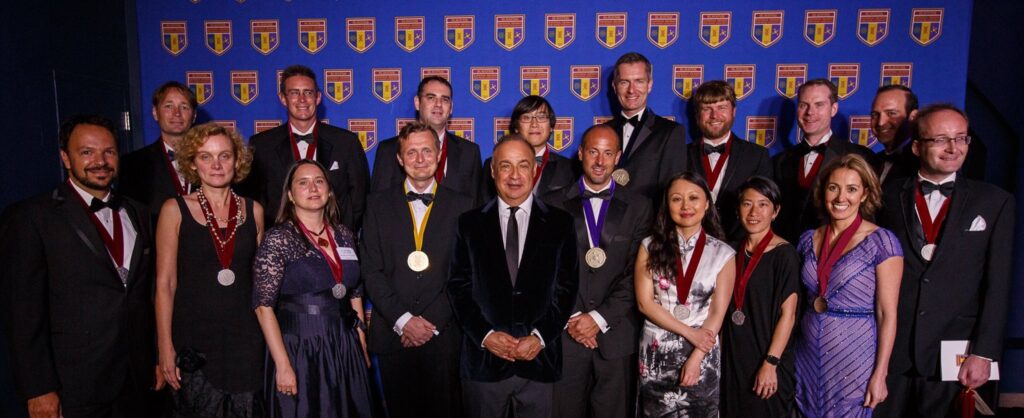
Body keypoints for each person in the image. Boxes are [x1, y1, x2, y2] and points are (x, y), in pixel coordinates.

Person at [0, 115, 159, 418]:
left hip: (135, 382)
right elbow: (22, 313)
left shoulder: (138, 212)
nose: (100, 161)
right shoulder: (32, 217)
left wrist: (152, 358)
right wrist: (38, 388)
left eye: (109, 152)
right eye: (87, 152)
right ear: (65, 158)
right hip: (73, 384)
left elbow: (142, 297)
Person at [876, 104, 1013, 417]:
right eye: (940, 139)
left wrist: (985, 353)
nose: (953, 148)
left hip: (956, 355)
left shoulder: (995, 202)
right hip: (890, 353)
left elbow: (998, 285)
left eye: (961, 139)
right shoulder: (885, 196)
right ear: (916, 146)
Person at [447, 135, 579, 418]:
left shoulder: (561, 223)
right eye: (505, 166)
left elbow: (566, 289)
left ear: (535, 170)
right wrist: (486, 336)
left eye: (523, 165)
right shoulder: (468, 224)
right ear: (493, 171)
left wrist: (540, 337)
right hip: (483, 363)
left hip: (540, 363)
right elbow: (458, 287)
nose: (515, 175)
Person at [362, 122, 476, 418]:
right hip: (393, 334)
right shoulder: (375, 205)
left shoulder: (466, 207)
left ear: (439, 154)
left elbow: (466, 273)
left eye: (427, 150)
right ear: (399, 159)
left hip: (444, 335)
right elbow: (372, 272)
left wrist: (429, 321)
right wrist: (404, 320)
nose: (420, 159)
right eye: (411, 152)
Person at [154, 122, 266, 416]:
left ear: (237, 160)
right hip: (194, 340)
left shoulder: (253, 210)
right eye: (205, 156)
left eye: (224, 156)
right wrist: (165, 347)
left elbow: (259, 282)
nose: (216, 165)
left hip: (246, 340)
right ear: (192, 162)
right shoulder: (173, 210)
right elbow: (165, 284)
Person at [541, 124, 652, 418]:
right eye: (593, 152)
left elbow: (638, 273)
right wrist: (575, 317)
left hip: (616, 337)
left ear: (617, 158)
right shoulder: (551, 204)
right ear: (580, 154)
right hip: (566, 335)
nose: (600, 161)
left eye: (607, 153)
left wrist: (598, 318)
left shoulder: (640, 207)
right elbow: (545, 269)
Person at [252, 159, 374, 417]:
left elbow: (355, 293)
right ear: (290, 195)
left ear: (329, 191)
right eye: (303, 183)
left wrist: (361, 343)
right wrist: (282, 363)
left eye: (319, 181)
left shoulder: (344, 234)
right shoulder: (279, 238)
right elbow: (263, 307)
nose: (313, 188)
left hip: (344, 344)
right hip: (301, 347)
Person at [793, 154, 903, 417]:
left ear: (865, 194)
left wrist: (880, 373)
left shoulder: (882, 241)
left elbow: (887, 314)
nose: (841, 197)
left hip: (854, 355)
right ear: (823, 192)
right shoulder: (808, 239)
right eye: (834, 188)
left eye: (851, 189)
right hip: (806, 354)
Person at [635, 172, 735, 417]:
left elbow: (717, 313)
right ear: (667, 205)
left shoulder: (723, 253)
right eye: (676, 199)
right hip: (656, 352)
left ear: (706, 203)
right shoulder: (649, 246)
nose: (686, 206)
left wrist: (697, 357)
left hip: (701, 351)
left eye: (693, 198)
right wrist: (690, 332)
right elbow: (644, 303)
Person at [244, 64, 370, 232]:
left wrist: (341, 235)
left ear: (318, 98)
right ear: (283, 98)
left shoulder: (346, 142)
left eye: (308, 93)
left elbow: (360, 199)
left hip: (334, 244)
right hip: (281, 245)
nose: (302, 99)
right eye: (294, 93)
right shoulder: (261, 145)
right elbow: (255, 202)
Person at [720, 176, 799, 418]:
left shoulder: (784, 254)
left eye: (763, 204)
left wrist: (771, 363)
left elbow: (789, 314)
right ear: (738, 210)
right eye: (747, 204)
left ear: (775, 211)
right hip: (734, 358)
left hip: (766, 356)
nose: (754, 212)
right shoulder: (729, 251)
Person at [772, 79, 875, 243]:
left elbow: (870, 213)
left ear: (833, 109)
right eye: (803, 105)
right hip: (787, 255)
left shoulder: (859, 156)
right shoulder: (778, 161)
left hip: (838, 252)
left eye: (819, 105)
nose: (810, 112)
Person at [371, 76, 484, 205]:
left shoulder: (469, 152)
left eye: (445, 99)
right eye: (431, 98)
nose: (438, 105)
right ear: (417, 103)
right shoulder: (389, 149)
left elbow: (476, 207)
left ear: (451, 107)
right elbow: (377, 204)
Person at [685, 80, 773, 240]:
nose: (714, 115)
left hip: (739, 247)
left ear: (734, 111)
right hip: (691, 245)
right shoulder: (681, 154)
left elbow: (763, 209)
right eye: (707, 109)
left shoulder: (757, 155)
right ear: (697, 114)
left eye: (722, 108)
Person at [604, 52, 687, 203]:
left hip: (649, 224)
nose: (631, 90)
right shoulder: (603, 132)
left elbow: (674, 189)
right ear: (614, 86)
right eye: (624, 82)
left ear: (649, 85)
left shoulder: (670, 132)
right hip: (606, 223)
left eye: (639, 81)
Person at [120, 81, 198, 219]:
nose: (177, 113)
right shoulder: (132, 164)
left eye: (184, 107)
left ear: (194, 115)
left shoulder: (212, 161)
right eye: (169, 106)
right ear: (155, 113)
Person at [484, 95, 577, 200]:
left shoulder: (568, 168)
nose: (534, 124)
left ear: (551, 127)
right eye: (526, 118)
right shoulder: (492, 164)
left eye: (541, 117)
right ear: (516, 128)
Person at [870, 85, 919, 186]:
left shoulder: (922, 162)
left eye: (892, 113)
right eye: (875, 115)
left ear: (913, 117)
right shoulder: (871, 161)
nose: (880, 122)